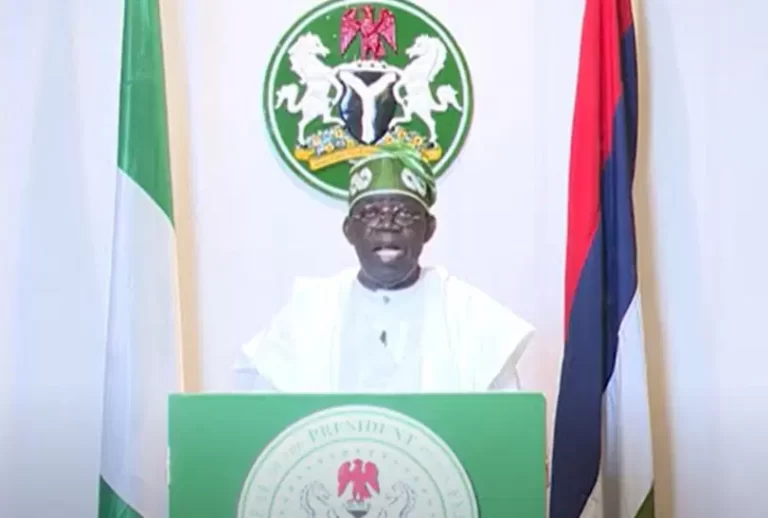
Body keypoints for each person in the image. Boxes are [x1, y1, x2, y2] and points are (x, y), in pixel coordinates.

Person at [234, 144, 535, 393]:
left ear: (429, 229)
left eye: (404, 214)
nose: (387, 225)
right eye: (371, 214)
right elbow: (266, 423)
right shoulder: (309, 315)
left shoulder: (469, 315)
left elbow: (502, 427)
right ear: (349, 230)